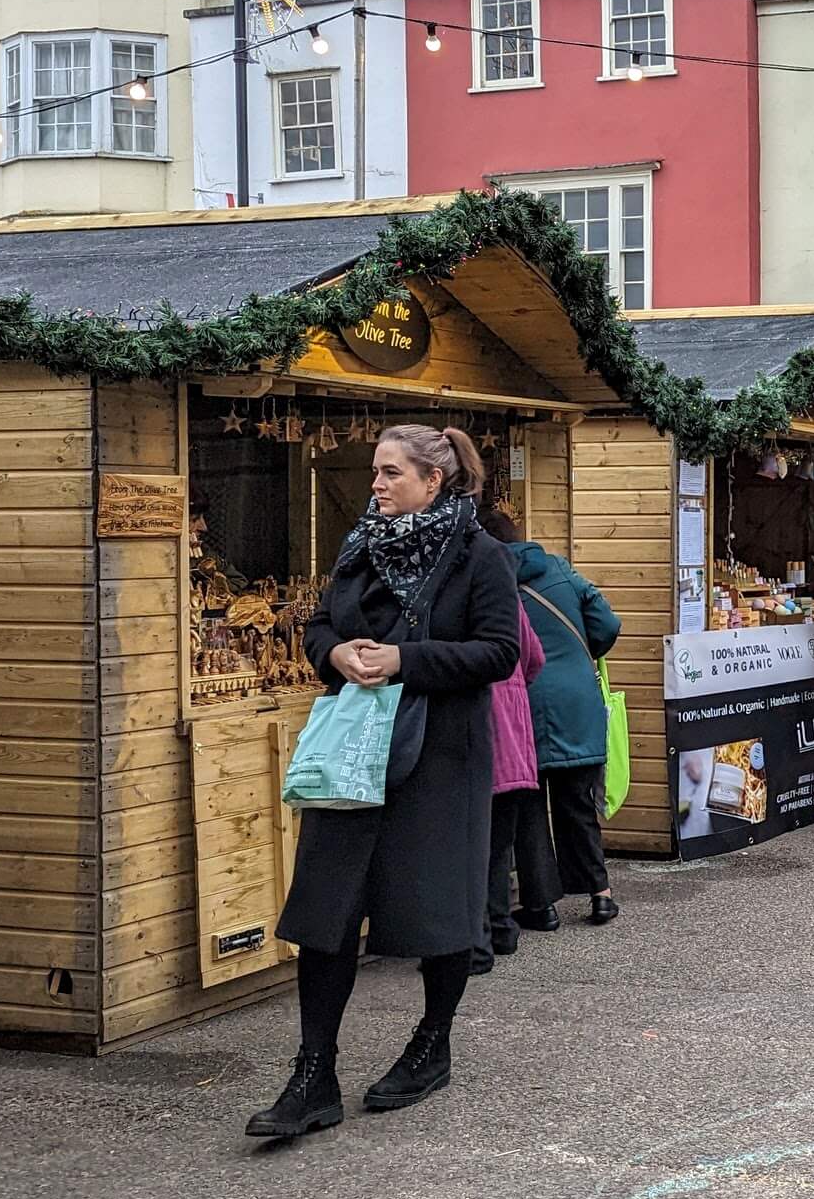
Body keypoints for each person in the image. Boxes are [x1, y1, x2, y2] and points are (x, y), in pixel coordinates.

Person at [249, 425, 521, 1140]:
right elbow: (315, 626)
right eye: (375, 472)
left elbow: (499, 652)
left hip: (441, 757)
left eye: (390, 473)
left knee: (440, 907)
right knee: (325, 908)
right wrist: (334, 652)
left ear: (434, 481)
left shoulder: (478, 554)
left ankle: (433, 1043)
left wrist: (404, 660)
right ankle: (313, 1074)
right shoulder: (359, 545)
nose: (375, 484)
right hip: (354, 752)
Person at [501, 508, 624, 927]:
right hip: (577, 701)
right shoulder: (559, 569)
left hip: (524, 705)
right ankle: (600, 896)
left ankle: (542, 906)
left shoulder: (491, 583)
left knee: (530, 810)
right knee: (578, 805)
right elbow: (606, 624)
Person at [475, 564, 548, 976]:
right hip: (515, 744)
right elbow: (533, 657)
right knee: (499, 843)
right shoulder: (509, 602)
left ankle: (478, 940)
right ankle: (501, 928)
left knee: (472, 846)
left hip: (482, 740)